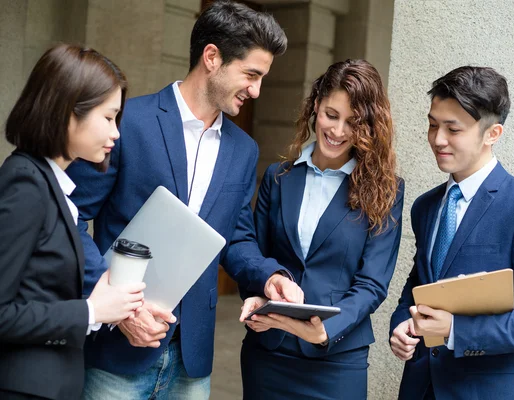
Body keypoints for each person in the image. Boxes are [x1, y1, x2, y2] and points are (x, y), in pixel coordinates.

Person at [66, 1, 303, 399]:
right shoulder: (127, 122)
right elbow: (69, 218)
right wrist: (112, 299)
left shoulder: (244, 150)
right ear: (212, 57)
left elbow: (236, 237)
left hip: (191, 362)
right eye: (251, 74)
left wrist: (270, 276)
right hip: (115, 353)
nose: (257, 90)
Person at [389, 66, 514, 400]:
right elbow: (418, 286)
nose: (437, 139)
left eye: (452, 129)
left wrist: (456, 331)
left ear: (492, 133)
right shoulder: (425, 206)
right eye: (432, 124)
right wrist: (401, 324)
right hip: (419, 389)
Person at [239, 59, 405, 400]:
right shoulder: (277, 176)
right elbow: (255, 255)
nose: (338, 131)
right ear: (316, 106)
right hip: (269, 351)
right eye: (331, 114)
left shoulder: (386, 190)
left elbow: (372, 284)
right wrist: (256, 293)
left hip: (337, 359)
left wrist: (325, 330)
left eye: (353, 123)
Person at [0, 44, 146, 400]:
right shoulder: (26, 184)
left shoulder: (55, 186)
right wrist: (92, 310)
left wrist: (109, 301)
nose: (116, 133)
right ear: (68, 112)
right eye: (108, 117)